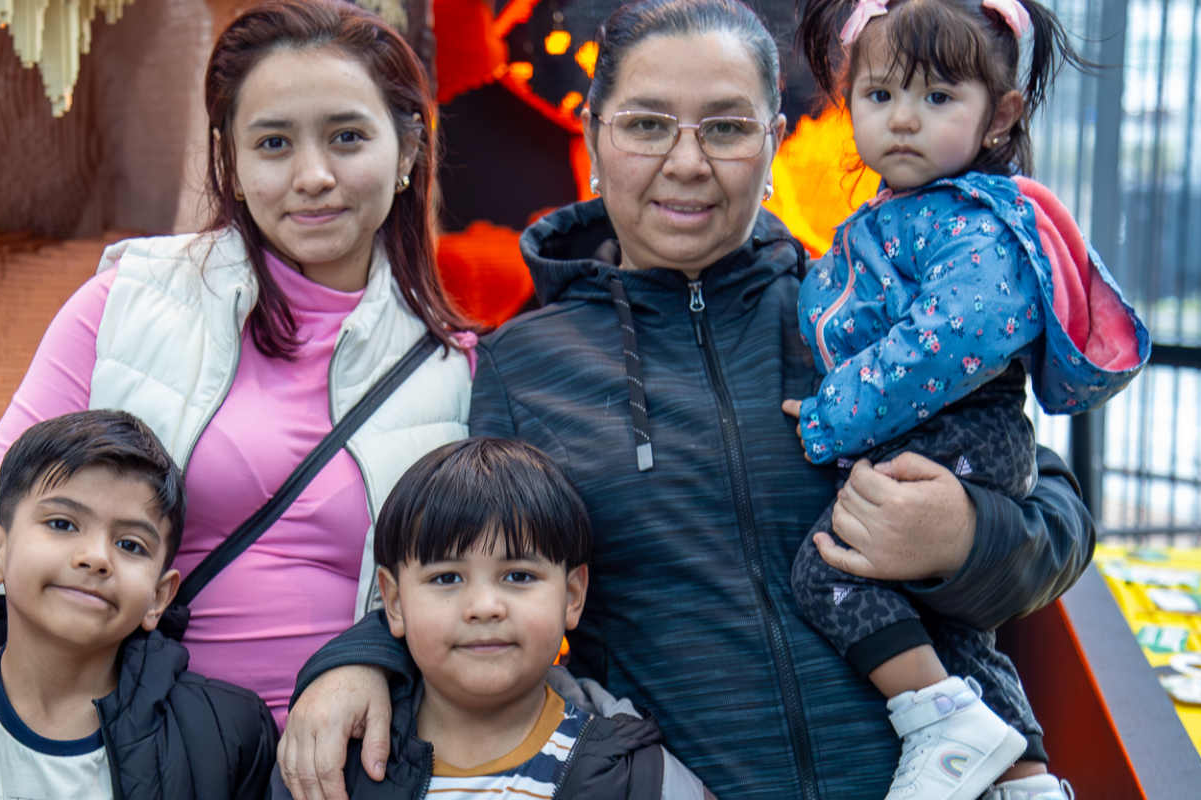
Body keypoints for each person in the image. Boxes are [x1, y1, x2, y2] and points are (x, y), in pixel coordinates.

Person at [276, 1, 1098, 799]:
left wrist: (963, 536)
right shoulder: (523, 365)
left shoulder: (858, 315)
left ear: (774, 143)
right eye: (645, 125)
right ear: (596, 138)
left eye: (728, 127)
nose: (687, 162)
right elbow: (455, 562)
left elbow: (1054, 520)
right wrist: (360, 662)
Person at [0, 1, 477, 796]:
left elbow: (468, 585)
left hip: (335, 771)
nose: (312, 176)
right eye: (273, 143)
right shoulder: (127, 305)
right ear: (229, 159)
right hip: (130, 758)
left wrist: (369, 653)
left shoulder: (454, 370)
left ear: (408, 149)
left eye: (348, 137)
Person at [786, 0, 1147, 798]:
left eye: (938, 98)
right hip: (945, 435)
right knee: (953, 629)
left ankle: (940, 724)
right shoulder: (899, 217)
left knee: (826, 571)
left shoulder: (974, 219)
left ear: (1000, 115)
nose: (904, 120)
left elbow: (947, 342)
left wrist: (829, 413)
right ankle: (1024, 776)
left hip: (960, 435)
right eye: (881, 97)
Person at [272, 437, 708, 800]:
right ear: (395, 602)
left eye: (518, 575)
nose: (484, 605)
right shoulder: (332, 762)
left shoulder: (640, 778)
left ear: (573, 596)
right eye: (446, 577)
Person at [0, 411, 275, 799]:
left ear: (157, 598)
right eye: (62, 523)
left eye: (130, 545)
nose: (95, 557)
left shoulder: (229, 738)